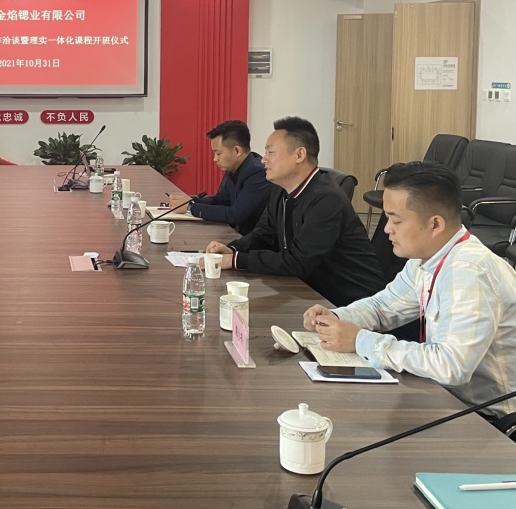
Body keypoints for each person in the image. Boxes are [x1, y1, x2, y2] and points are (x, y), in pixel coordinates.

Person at [304, 162, 516, 422]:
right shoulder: (429, 256)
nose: (386, 229)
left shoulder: (469, 272)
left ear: (435, 224)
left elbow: (451, 366)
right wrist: (336, 318)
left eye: (396, 220)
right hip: (447, 398)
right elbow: (384, 307)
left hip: (491, 420)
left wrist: (360, 340)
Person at [207, 116, 383, 307]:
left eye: (270, 152)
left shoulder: (326, 199)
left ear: (299, 155)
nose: (264, 160)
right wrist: (233, 249)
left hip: (351, 302)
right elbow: (263, 234)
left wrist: (236, 260)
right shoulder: (281, 190)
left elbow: (298, 262)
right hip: (311, 293)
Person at [187, 119, 272, 234]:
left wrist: (190, 208)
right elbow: (221, 201)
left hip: (254, 240)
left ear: (237, 151)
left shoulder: (257, 173)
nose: (215, 159)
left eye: (218, 153)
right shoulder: (234, 168)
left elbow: (235, 215)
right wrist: (191, 201)